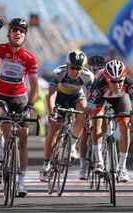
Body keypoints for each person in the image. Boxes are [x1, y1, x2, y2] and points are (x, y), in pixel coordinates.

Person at [0, 16, 38, 197]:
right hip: (3, 97)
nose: (18, 33)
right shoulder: (1, 50)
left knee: (22, 141)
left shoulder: (29, 58)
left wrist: (30, 104)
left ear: (25, 36)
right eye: (15, 30)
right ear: (9, 34)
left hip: (20, 100)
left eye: (22, 31)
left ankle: (21, 182)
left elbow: (34, 85)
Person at [39, 50, 94, 182]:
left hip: (76, 95)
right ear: (67, 65)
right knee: (54, 129)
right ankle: (46, 165)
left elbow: (90, 98)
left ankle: (73, 144)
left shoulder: (88, 76)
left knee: (83, 110)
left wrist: (89, 116)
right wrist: (52, 112)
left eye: (78, 68)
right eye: (73, 68)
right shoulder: (59, 73)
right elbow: (51, 95)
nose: (75, 71)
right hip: (60, 96)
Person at [84, 59, 133, 182]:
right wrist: (88, 119)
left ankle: (122, 168)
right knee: (97, 120)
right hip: (101, 99)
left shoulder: (129, 83)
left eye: (120, 81)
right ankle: (99, 161)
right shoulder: (98, 84)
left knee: (125, 125)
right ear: (106, 79)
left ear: (124, 77)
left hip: (120, 99)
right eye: (113, 82)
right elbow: (88, 110)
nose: (117, 85)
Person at [78, 55, 106, 180]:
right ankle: (83, 164)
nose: (96, 71)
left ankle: (103, 149)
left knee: (102, 124)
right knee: (84, 133)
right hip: (85, 103)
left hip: (99, 104)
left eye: (99, 69)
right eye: (93, 69)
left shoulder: (105, 75)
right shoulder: (84, 76)